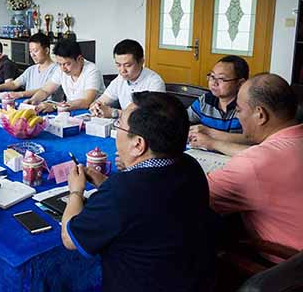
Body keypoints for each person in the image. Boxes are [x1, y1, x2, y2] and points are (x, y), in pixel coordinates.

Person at [62, 92, 215, 292]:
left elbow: (69, 239)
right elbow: (148, 201)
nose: (117, 131)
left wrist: (76, 190)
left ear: (138, 144)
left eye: (119, 126)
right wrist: (105, 183)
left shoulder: (123, 190)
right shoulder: (190, 165)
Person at [207, 73, 303, 252]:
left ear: (260, 115)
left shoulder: (255, 163)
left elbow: (192, 195)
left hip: (284, 272)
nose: (237, 116)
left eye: (240, 110)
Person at [188, 55, 251, 156]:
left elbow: (251, 140)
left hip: (235, 158)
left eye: (221, 79)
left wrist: (209, 132)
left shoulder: (247, 106)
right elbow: (182, 120)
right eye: (212, 76)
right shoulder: (205, 101)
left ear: (240, 84)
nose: (214, 82)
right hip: (205, 156)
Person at [90, 39, 165, 119]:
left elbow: (148, 118)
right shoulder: (120, 79)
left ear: (141, 62)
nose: (122, 70)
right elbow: (101, 100)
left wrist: (114, 113)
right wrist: (96, 106)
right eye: (118, 65)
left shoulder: (154, 82)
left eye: (128, 65)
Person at [26, 39, 102, 113]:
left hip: (92, 115)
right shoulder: (61, 69)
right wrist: (33, 100)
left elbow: (86, 102)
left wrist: (54, 106)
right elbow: (45, 91)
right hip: (70, 112)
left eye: (67, 64)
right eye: (59, 64)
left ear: (80, 59)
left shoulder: (92, 71)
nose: (63, 69)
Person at [0, 32, 59, 99]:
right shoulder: (31, 69)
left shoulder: (57, 70)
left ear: (46, 50)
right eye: (30, 51)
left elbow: (45, 90)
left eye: (35, 51)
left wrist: (21, 94)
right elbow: (14, 84)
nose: (32, 55)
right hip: (29, 105)